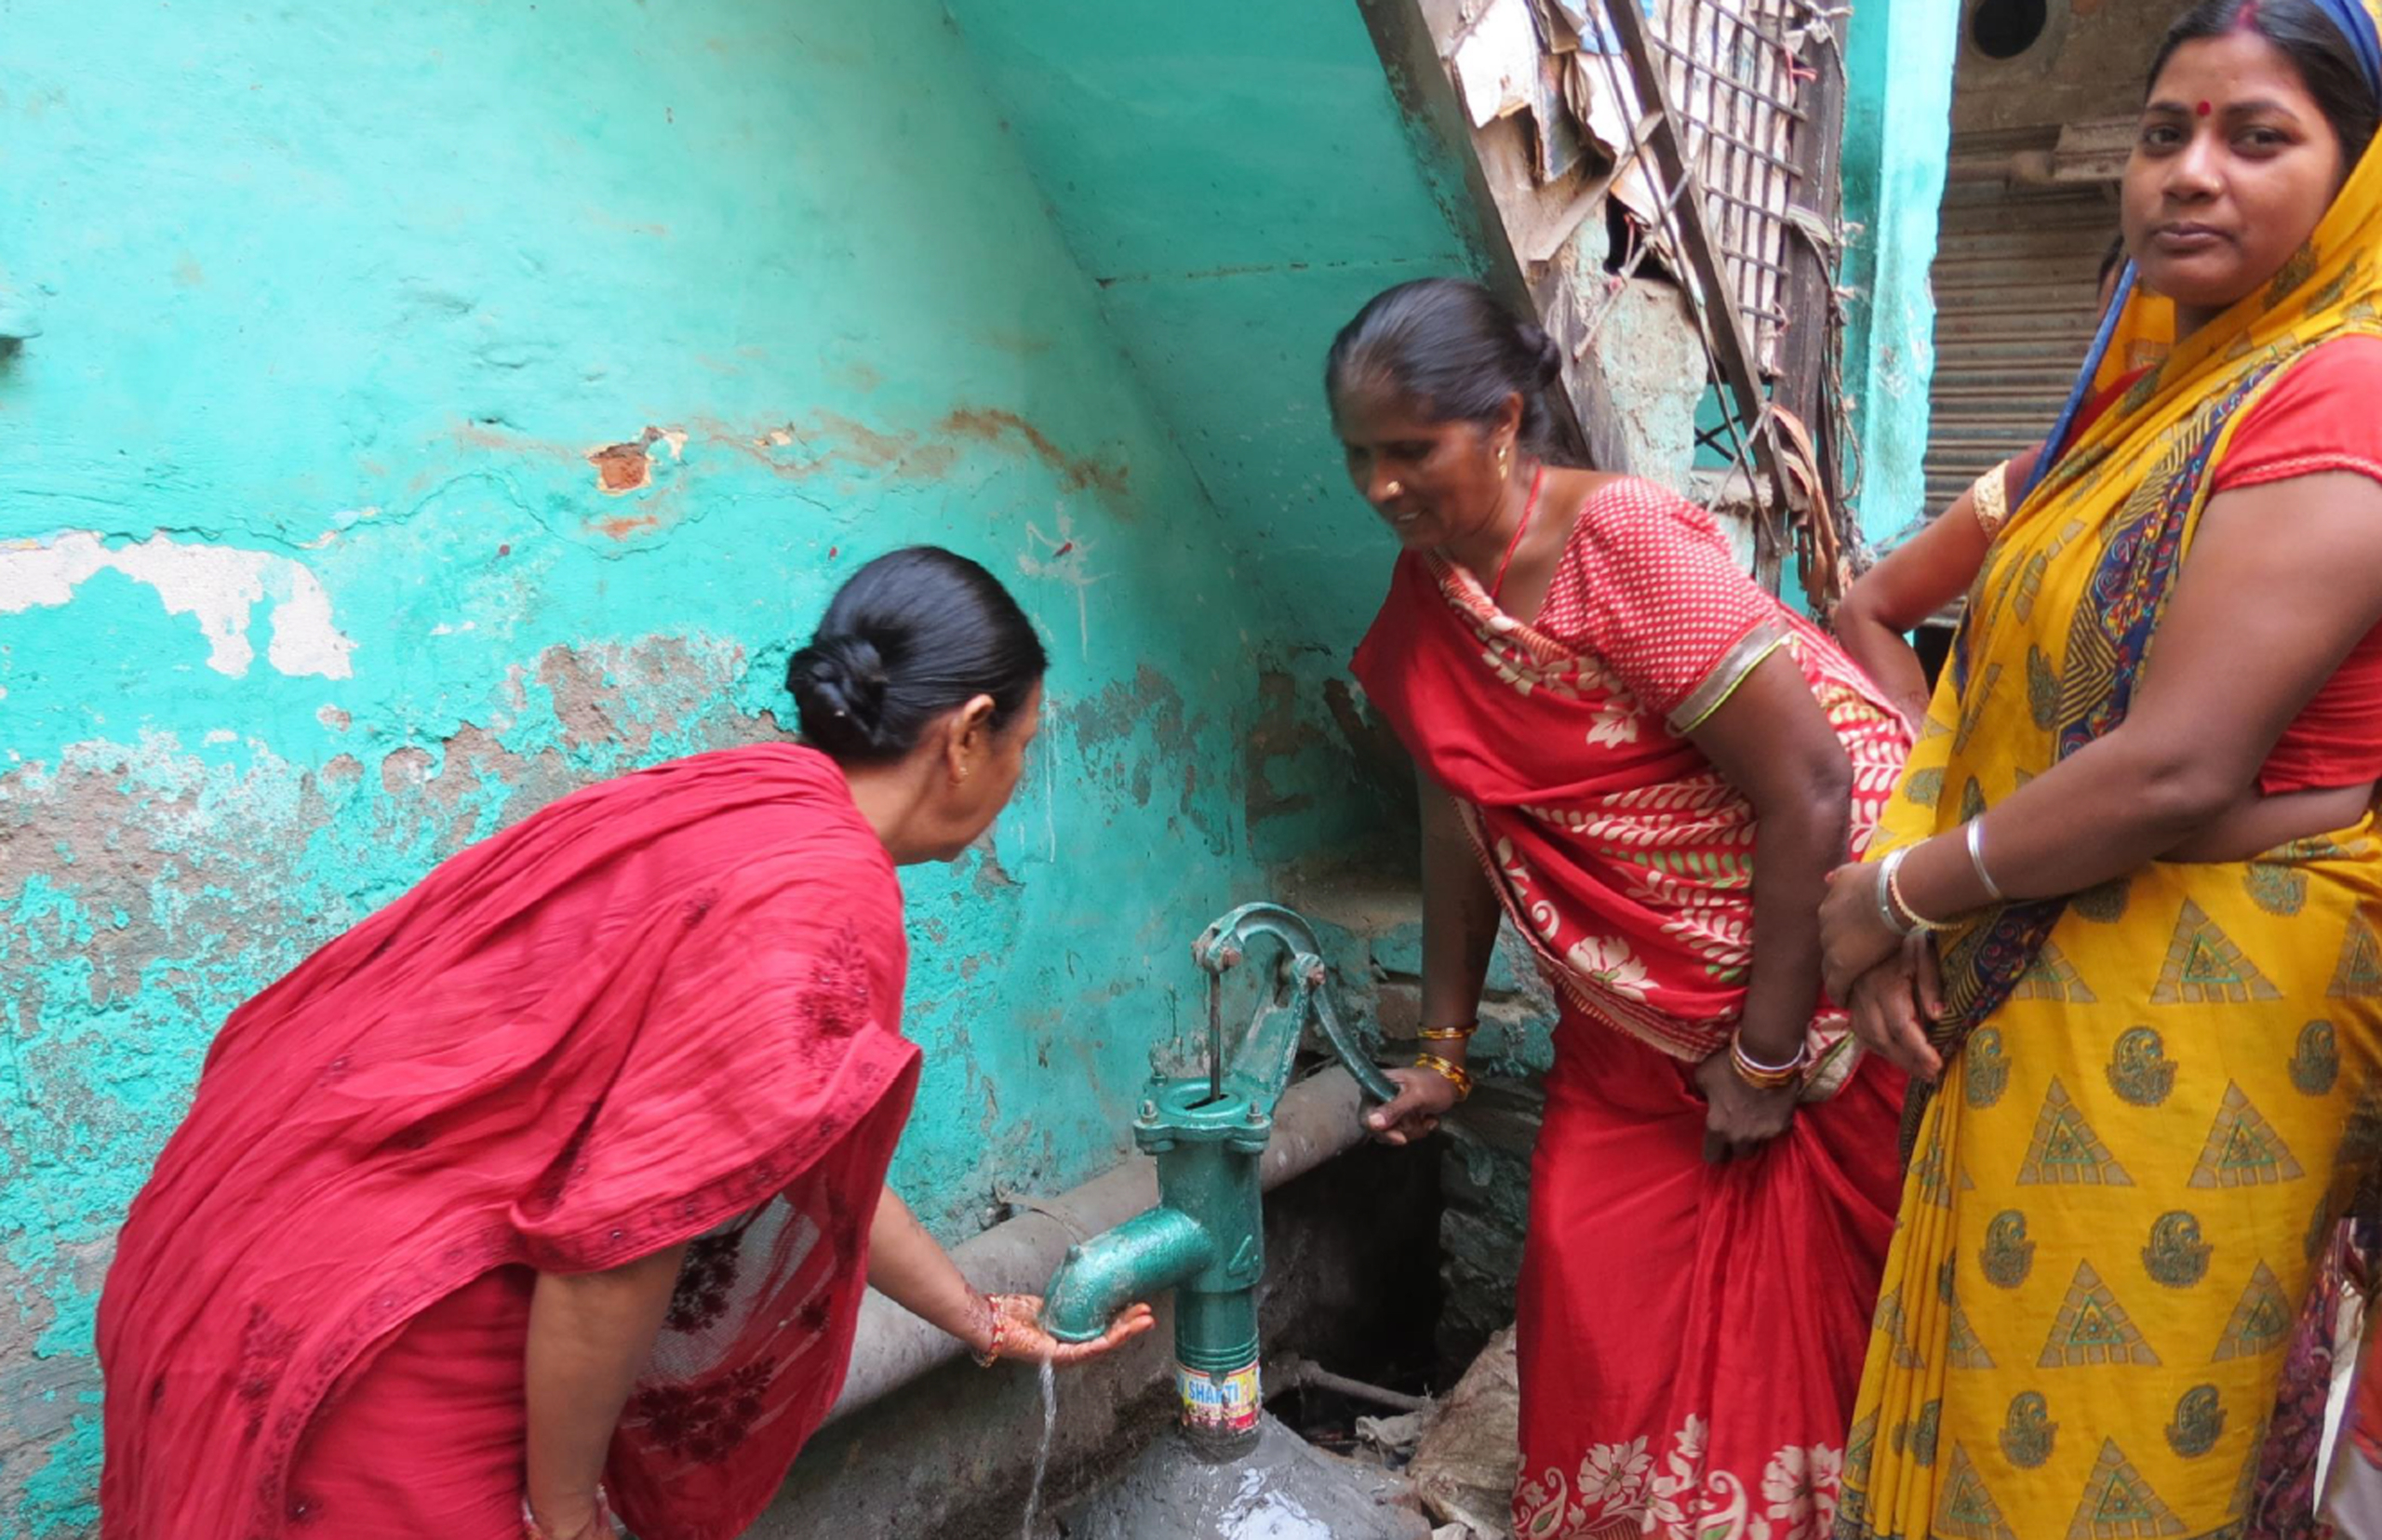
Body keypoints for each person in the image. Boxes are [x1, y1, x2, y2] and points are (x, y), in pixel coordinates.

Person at [94, 547, 1153, 1540]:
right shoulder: (826, 891)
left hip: (236, 1240)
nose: (1016, 776)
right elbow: (621, 1250)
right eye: (1022, 745)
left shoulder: (743, 799)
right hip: (382, 1334)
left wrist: (972, 1314)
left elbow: (782, 1143)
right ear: (967, 734)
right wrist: (561, 1515)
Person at [1816, 2, 2382, 1534]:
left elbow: (2179, 767)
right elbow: (1963, 670)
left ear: (2361, 177)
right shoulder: (2140, 413)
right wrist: (1905, 913)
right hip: (2049, 968)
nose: (2190, 174)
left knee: (2100, 1459)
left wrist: (1896, 894)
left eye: (2258, 138)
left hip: (2208, 1026)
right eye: (2163, 133)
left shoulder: (2344, 386)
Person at [1332, 277, 1911, 1538]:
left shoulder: (1624, 543)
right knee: (1592, 1308)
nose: (1381, 486)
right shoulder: (1436, 600)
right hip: (1628, 1034)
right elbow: (1459, 820)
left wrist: (1762, 1060)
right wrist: (1441, 1045)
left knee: (1815, 1340)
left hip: (1808, 1005)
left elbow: (1810, 781)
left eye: (1409, 450)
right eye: (1358, 456)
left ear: (1500, 418)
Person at [1836, 234, 2135, 725]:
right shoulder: (2041, 479)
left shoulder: (2272, 494)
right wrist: (1921, 774)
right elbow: (1867, 610)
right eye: (2114, 340)